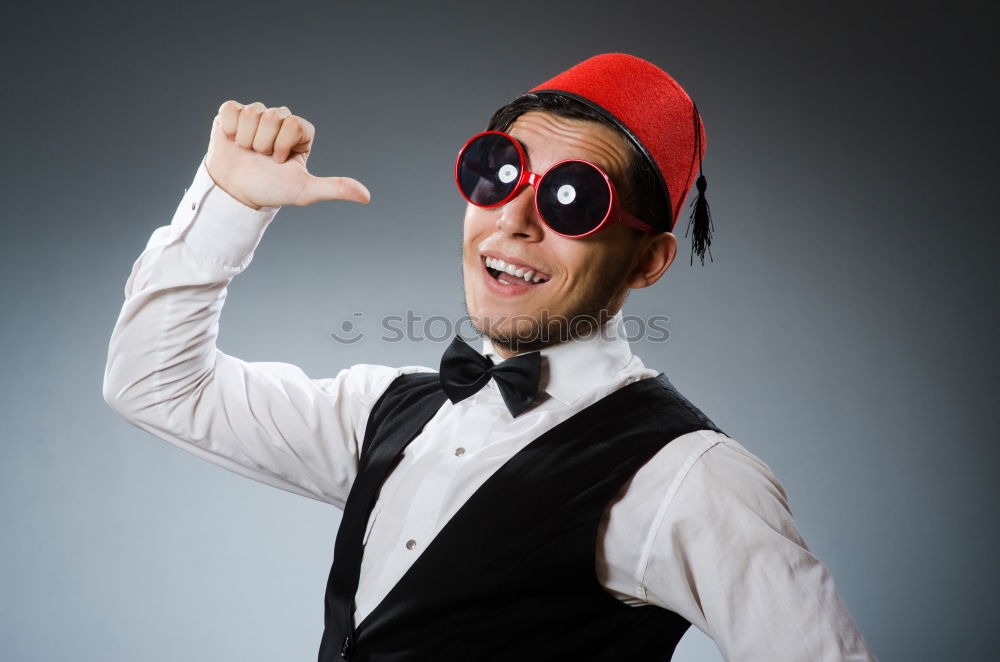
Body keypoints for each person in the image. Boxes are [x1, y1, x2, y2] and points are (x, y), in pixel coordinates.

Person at [103, 54, 876, 661]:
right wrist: (229, 204)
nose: (513, 220)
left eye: (574, 199)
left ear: (648, 261)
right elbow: (155, 385)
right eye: (498, 172)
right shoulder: (386, 412)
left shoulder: (688, 479)